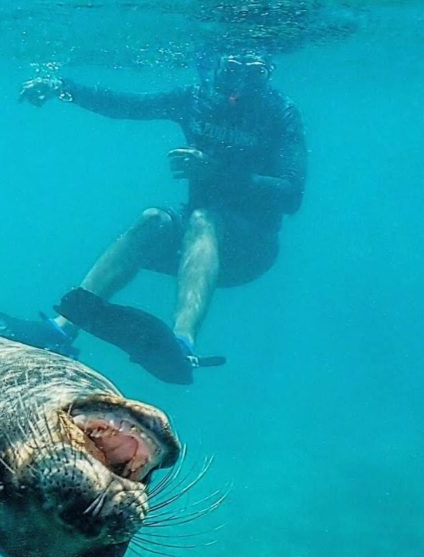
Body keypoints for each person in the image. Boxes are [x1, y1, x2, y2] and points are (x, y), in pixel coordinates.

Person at [20, 52, 307, 383]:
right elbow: (128, 105)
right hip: (194, 248)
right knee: (153, 219)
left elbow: (291, 195)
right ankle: (63, 328)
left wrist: (218, 172)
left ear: (269, 73)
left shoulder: (280, 112)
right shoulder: (195, 99)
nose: (240, 85)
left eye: (254, 74)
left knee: (203, 218)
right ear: (215, 68)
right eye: (231, 70)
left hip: (250, 251)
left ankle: (182, 342)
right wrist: (62, 87)